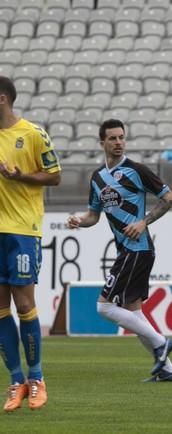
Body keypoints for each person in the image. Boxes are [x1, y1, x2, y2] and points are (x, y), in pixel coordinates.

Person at [66, 119, 172, 383]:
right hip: (126, 250)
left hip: (137, 249)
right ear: (102, 142)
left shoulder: (136, 170)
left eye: (121, 138)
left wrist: (143, 222)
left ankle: (161, 343)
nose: (118, 143)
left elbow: (170, 198)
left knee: (104, 307)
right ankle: (168, 370)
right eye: (113, 138)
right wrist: (79, 221)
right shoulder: (97, 178)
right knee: (133, 311)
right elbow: (94, 215)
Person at [0, 76, 61, 412]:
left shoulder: (32, 134)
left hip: (23, 229)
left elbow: (55, 175)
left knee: (24, 305)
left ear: (2, 99)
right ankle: (15, 381)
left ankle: (37, 378)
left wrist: (18, 176)